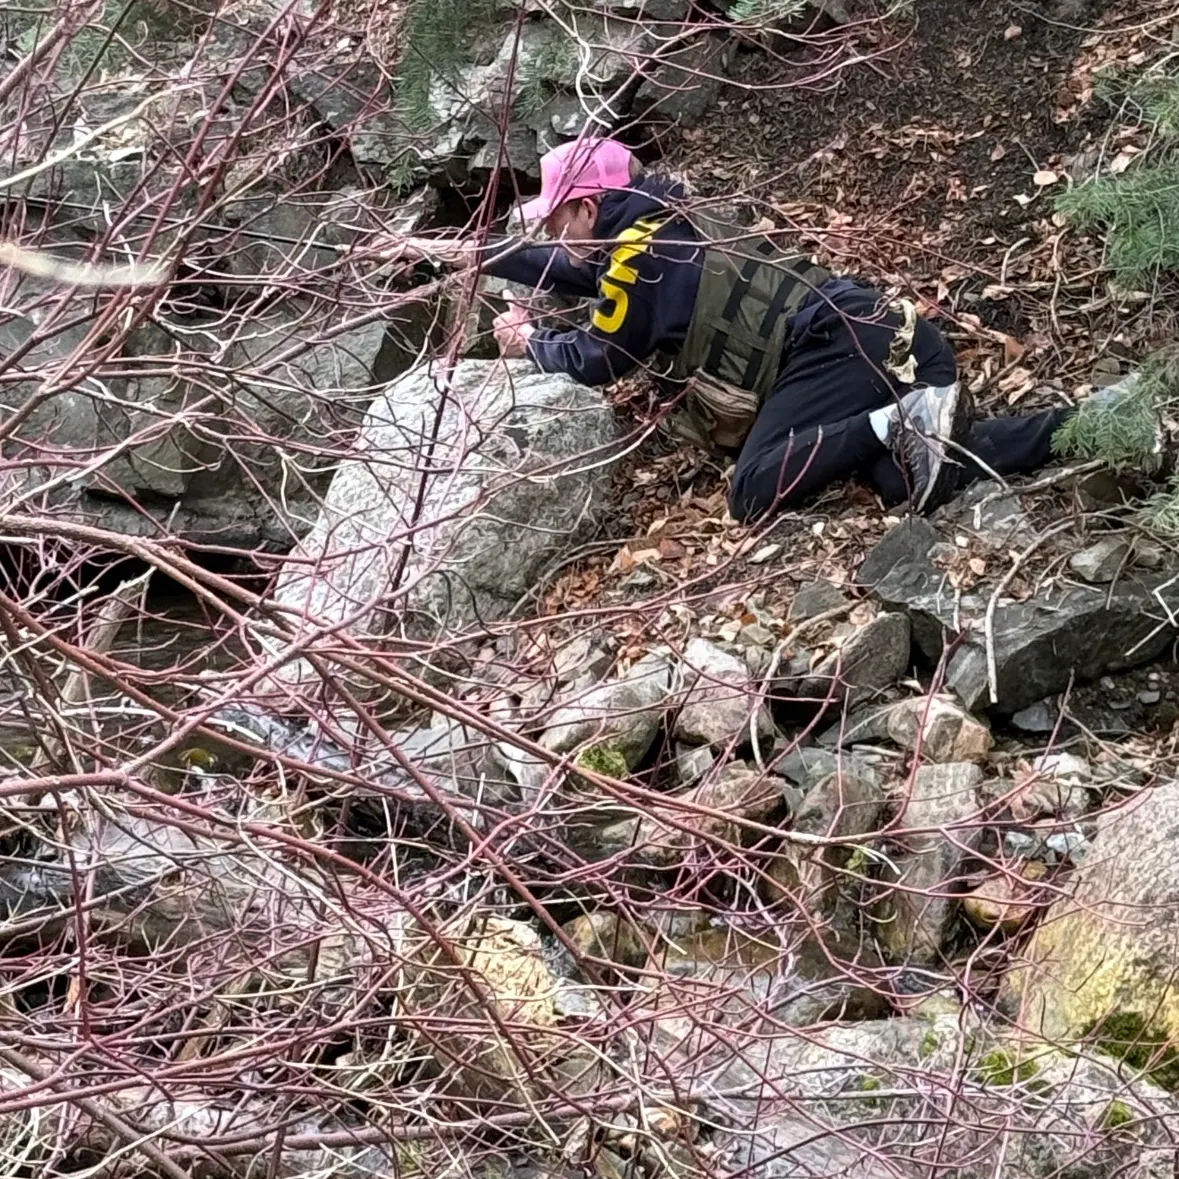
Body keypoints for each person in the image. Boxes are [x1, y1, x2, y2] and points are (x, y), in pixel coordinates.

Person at [379, 136, 1070, 521]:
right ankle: (1074, 426)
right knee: (902, 481)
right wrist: (465, 252)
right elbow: (579, 273)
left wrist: (531, 343)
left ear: (587, 210)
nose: (554, 235)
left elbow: (598, 356)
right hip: (894, 338)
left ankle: (900, 420)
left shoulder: (633, 263)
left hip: (837, 348)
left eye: (557, 220)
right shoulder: (665, 221)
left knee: (751, 488)